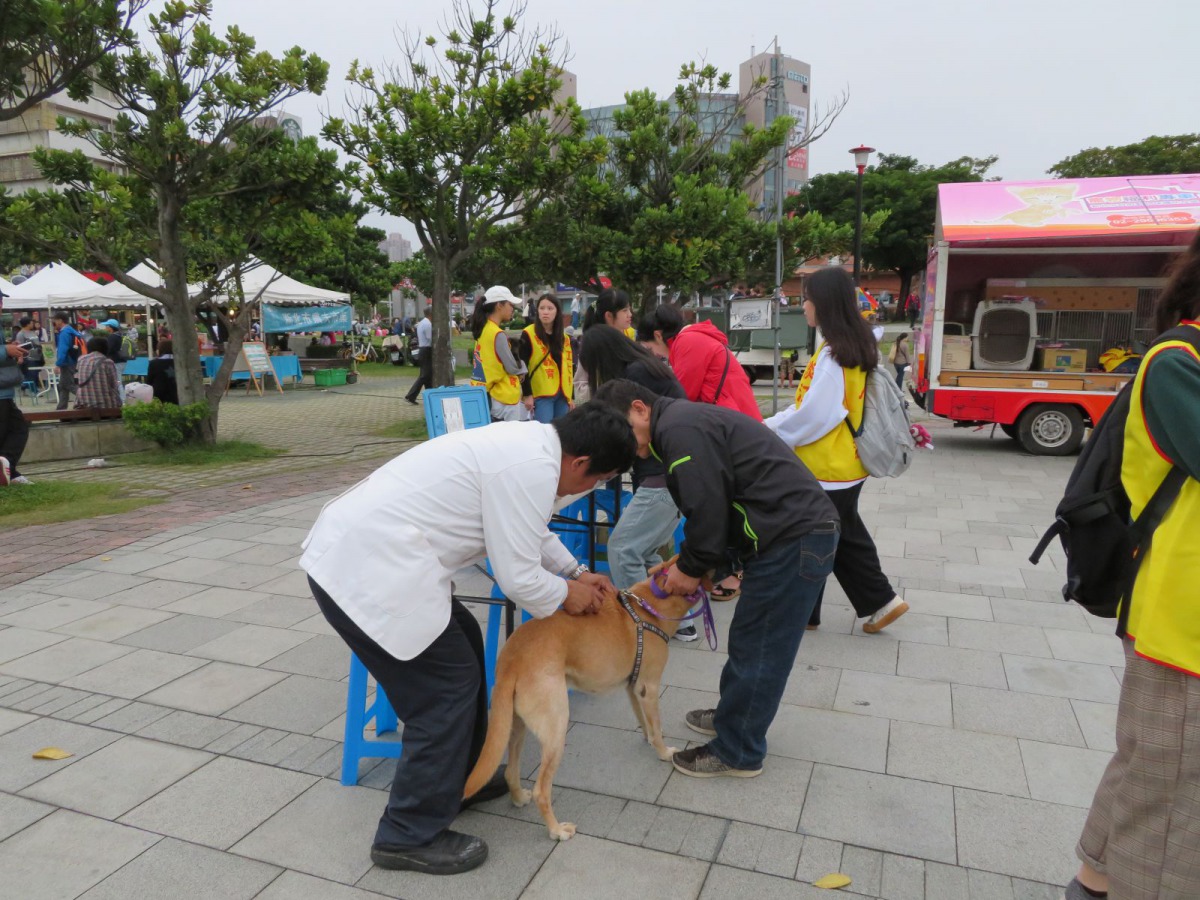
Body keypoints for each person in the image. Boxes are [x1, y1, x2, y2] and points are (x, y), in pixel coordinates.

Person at [300, 404, 636, 874]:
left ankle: (462, 776)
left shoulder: (535, 448)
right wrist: (568, 594)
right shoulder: (530, 466)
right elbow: (518, 578)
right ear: (580, 463)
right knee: (443, 690)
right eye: (598, 479)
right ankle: (406, 834)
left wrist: (575, 571)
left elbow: (529, 529)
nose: (591, 488)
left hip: (382, 557)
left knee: (464, 638)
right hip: (363, 569)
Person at [593, 379, 839, 778]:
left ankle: (738, 750)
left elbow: (707, 509)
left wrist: (691, 568)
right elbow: (721, 503)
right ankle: (734, 717)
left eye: (626, 431)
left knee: (761, 646)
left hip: (794, 537)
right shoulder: (679, 425)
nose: (627, 446)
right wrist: (701, 561)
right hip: (787, 532)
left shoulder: (678, 430)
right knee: (748, 638)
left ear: (640, 408)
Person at [1067, 232, 1200, 900]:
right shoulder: (1180, 360)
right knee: (1173, 794)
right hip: (1181, 616)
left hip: (1182, 613)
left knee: (1153, 761)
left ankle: (1093, 877)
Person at [764, 267, 908, 634]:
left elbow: (816, 414)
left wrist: (771, 430)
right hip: (845, 464)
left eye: (806, 299)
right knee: (842, 534)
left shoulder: (833, 355)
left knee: (816, 538)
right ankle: (875, 601)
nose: (803, 307)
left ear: (823, 304)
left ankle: (826, 609)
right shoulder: (854, 345)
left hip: (825, 465)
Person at [579, 324, 695, 637]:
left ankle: (640, 624)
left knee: (623, 548)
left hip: (662, 476)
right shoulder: (646, 366)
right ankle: (679, 622)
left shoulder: (636, 375)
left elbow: (633, 434)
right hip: (670, 474)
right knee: (643, 552)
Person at [637, 303, 762, 422]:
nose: (654, 354)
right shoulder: (691, 338)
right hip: (738, 415)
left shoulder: (688, 342)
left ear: (658, 336)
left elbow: (682, 394)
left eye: (650, 348)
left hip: (735, 419)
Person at [469, 285, 527, 422]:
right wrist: (523, 368)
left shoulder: (483, 329)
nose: (512, 308)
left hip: (484, 393)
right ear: (499, 305)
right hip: (502, 397)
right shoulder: (497, 334)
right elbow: (512, 367)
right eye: (510, 304)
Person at [518, 293, 574, 423]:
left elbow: (569, 366)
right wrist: (527, 394)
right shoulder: (528, 333)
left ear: (557, 312)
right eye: (542, 308)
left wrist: (570, 396)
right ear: (537, 311)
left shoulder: (564, 338)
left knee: (560, 431)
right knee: (544, 430)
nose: (545, 312)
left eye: (550, 308)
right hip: (542, 394)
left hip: (562, 394)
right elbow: (522, 366)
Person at [0, 295, 32, 486]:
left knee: (16, 428)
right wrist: (6, 351)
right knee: (16, 429)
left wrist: (12, 352)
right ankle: (8, 470)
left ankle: (9, 471)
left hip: (4, 391)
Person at [75, 336, 122, 409]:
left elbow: (78, 380)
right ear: (105, 348)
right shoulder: (108, 362)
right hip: (106, 405)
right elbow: (114, 385)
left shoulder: (80, 360)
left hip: (84, 404)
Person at [52, 312, 83, 411]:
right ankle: (61, 408)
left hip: (67, 362)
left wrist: (58, 364)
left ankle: (87, 398)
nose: (54, 323)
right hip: (74, 360)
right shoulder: (73, 331)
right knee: (63, 385)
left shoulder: (64, 333)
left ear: (60, 321)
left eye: (55, 321)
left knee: (69, 385)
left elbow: (63, 349)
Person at [404, 307, 433, 405]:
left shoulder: (421, 323)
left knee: (428, 375)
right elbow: (430, 338)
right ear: (431, 314)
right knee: (425, 375)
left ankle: (430, 396)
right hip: (426, 349)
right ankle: (410, 395)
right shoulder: (428, 324)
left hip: (422, 349)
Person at [15, 317, 45, 391]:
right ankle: (30, 388)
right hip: (29, 357)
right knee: (31, 374)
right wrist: (20, 357)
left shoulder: (32, 332)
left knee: (35, 373)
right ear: (27, 324)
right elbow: (19, 346)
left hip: (37, 356)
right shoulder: (21, 334)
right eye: (31, 323)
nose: (33, 324)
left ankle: (25, 386)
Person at [146, 339, 179, 405]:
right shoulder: (179, 362)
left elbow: (149, 381)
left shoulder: (154, 363)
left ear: (160, 349)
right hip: (177, 394)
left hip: (159, 396)